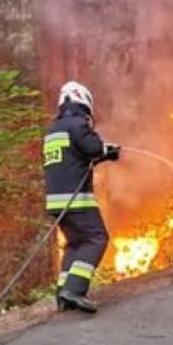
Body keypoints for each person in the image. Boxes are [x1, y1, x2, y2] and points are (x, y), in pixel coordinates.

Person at [43, 81, 120, 313]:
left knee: (75, 244)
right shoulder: (77, 125)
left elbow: (75, 156)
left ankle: (63, 294)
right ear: (83, 102)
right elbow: (93, 148)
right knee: (96, 238)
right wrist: (110, 151)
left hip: (57, 203)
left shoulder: (53, 130)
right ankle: (75, 290)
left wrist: (100, 154)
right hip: (76, 200)